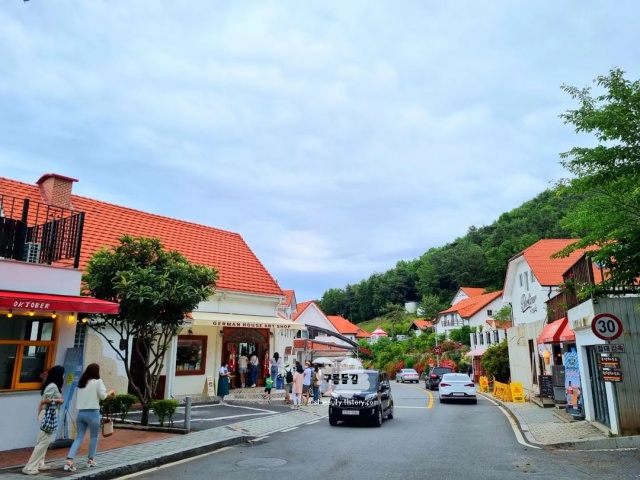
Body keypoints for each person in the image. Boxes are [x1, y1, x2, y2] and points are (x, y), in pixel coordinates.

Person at [64, 364, 116, 472]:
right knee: (94, 437)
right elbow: (103, 396)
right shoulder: (98, 382)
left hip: (81, 413)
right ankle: (90, 460)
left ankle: (69, 460)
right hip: (93, 413)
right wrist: (111, 392)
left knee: (79, 437)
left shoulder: (81, 383)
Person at [22, 365, 65, 475]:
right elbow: (45, 400)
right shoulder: (53, 386)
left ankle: (40, 463)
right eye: (63, 374)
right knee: (43, 442)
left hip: (47, 415)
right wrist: (58, 400)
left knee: (43, 441)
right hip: (48, 416)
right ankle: (30, 467)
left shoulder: (51, 384)